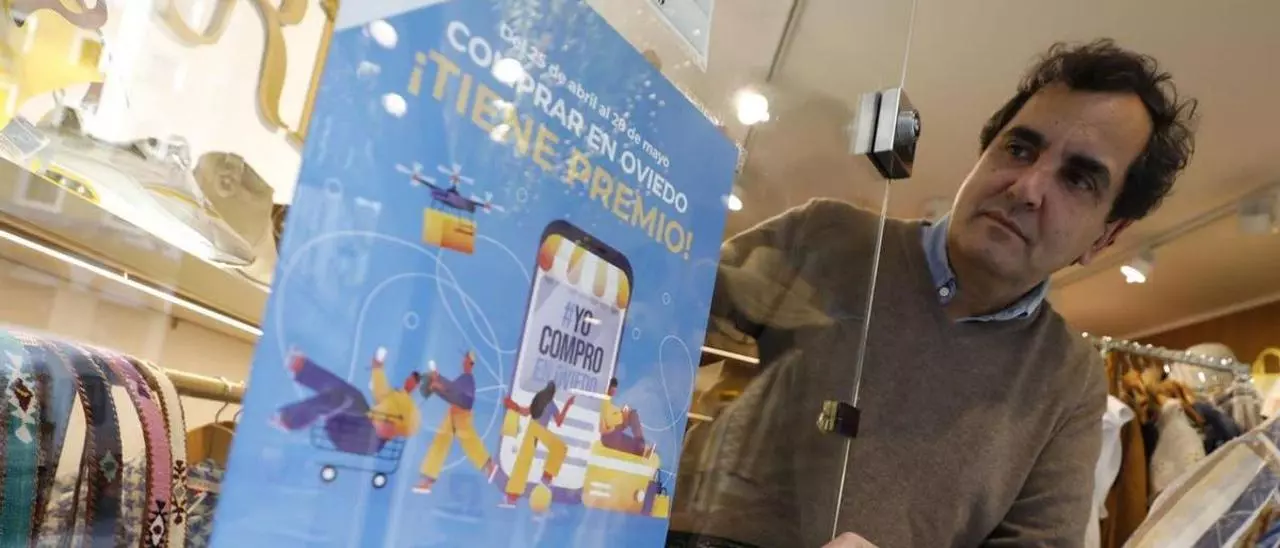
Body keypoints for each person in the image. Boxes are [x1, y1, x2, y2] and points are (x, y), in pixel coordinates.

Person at [668, 39, 1197, 548]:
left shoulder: (1070, 377)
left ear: (1105, 236)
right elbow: (661, 314)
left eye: (1078, 180)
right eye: (1018, 149)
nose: (1027, 187)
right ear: (983, 153)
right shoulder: (829, 235)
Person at [273, 347, 422, 455]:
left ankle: (290, 418)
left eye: (412, 381)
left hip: (362, 437)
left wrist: (387, 429)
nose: (408, 382)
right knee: (347, 396)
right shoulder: (393, 397)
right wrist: (377, 367)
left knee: (347, 398)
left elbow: (394, 429)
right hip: (353, 425)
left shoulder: (405, 410)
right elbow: (380, 389)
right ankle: (301, 368)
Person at [414, 351, 498, 493]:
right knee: (441, 443)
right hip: (454, 412)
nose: (463, 361)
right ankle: (427, 480)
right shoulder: (464, 378)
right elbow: (450, 388)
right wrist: (437, 379)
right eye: (464, 359)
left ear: (470, 362)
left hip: (461, 414)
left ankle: (489, 465)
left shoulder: (468, 380)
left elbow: (455, 394)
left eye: (466, 359)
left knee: (468, 442)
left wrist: (438, 384)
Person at [501, 381, 575, 508]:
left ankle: (513, 495)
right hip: (537, 429)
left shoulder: (543, 400)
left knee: (524, 460)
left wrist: (513, 405)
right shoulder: (547, 402)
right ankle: (515, 494)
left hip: (534, 429)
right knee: (557, 448)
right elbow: (558, 421)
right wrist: (567, 405)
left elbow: (526, 412)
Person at [598, 378, 651, 457]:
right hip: (610, 436)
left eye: (614, 388)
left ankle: (641, 446)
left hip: (616, 430)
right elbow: (602, 429)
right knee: (625, 439)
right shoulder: (604, 404)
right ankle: (641, 449)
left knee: (632, 414)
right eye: (612, 388)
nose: (614, 390)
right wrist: (617, 425)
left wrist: (624, 414)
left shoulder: (610, 404)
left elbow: (622, 422)